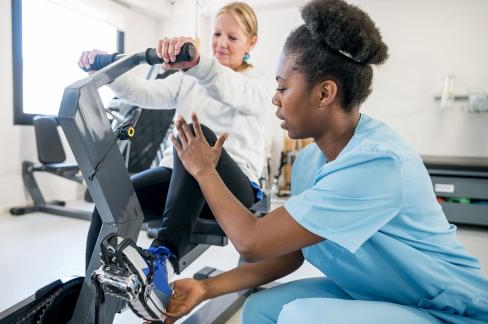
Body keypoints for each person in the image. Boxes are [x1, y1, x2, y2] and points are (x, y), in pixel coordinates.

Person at [162, 0, 488, 323]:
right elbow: (290, 253)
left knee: (300, 316)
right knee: (260, 309)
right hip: (373, 292)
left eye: (283, 87)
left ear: (324, 93)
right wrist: (207, 287)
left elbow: (251, 241)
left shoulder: (378, 163)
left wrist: (203, 169)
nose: (275, 98)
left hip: (445, 309)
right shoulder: (308, 163)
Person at [78, 1, 272, 305]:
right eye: (217, 34)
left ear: (251, 42)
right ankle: (91, 293)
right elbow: (142, 93)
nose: (221, 43)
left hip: (234, 190)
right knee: (112, 202)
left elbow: (227, 88)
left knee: (196, 138)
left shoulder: (258, 84)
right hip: (181, 175)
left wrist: (198, 65)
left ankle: (162, 260)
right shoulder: (190, 79)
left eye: (232, 38)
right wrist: (107, 72)